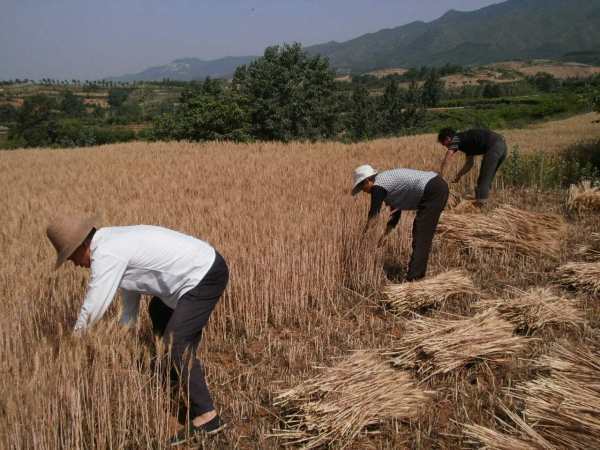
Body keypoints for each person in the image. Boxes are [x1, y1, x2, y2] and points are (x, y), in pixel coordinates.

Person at [46, 213, 229, 445]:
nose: (74, 264)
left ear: (83, 245)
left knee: (177, 343)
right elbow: (131, 294)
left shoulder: (107, 253)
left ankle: (207, 416)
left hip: (205, 275)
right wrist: (124, 336)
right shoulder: (112, 241)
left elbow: (93, 307)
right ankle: (176, 376)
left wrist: (71, 346)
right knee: (159, 311)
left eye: (71, 257)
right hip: (195, 271)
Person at [351, 165, 449, 281]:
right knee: (420, 232)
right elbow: (396, 213)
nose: (363, 191)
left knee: (421, 234)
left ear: (367, 181)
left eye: (362, 187)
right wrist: (386, 235)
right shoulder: (386, 185)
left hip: (433, 189)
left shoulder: (378, 186)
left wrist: (363, 237)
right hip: (434, 187)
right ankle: (416, 275)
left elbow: (374, 214)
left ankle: (415, 279)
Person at [437, 128, 507, 206]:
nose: (445, 146)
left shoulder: (456, 138)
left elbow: (448, 155)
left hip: (494, 146)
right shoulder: (466, 141)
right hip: (502, 147)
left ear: (448, 138)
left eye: (444, 144)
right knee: (487, 178)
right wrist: (458, 176)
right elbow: (469, 164)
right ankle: (485, 205)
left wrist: (441, 177)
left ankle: (481, 208)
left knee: (483, 180)